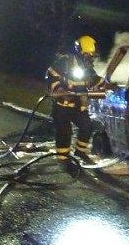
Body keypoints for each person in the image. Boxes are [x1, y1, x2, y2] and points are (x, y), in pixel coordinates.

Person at [45, 35, 106, 164]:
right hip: (62, 106)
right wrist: (59, 90)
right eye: (90, 55)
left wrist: (108, 85)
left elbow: (94, 79)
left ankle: (80, 152)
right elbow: (51, 74)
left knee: (87, 127)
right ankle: (63, 159)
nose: (92, 58)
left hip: (78, 105)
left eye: (93, 56)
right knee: (64, 132)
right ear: (82, 52)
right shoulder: (65, 61)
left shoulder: (86, 67)